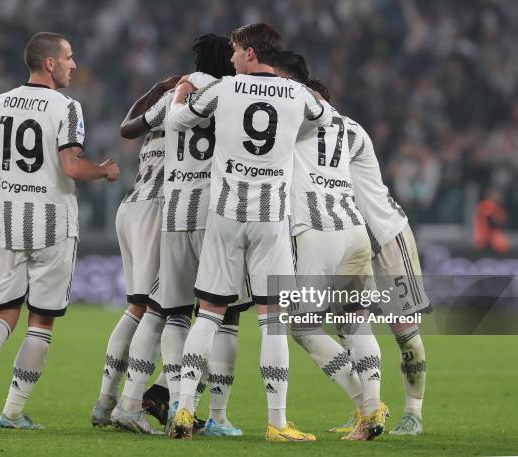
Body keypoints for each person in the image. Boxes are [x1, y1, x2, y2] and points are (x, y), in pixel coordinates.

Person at [166, 23, 332, 442]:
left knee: (207, 314)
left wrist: (182, 97)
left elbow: (178, 121)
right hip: (271, 221)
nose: (232, 57)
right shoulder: (297, 94)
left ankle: (184, 410)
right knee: (272, 322)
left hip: (224, 217)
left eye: (237, 51)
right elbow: (325, 118)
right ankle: (277, 422)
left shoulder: (223, 90)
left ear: (252, 54)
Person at [0, 32, 120, 429]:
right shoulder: (67, 107)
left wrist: (15, 178)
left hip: (8, 222)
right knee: (41, 320)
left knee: (3, 312)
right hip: (53, 225)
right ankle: (12, 412)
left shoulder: (0, 103)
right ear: (50, 63)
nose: (74, 65)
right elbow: (72, 168)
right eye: (69, 57)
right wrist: (104, 170)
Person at [110, 34, 245, 437]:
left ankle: (135, 402)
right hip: (211, 212)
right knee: (221, 313)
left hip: (173, 210)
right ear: (228, 61)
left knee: (169, 312)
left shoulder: (181, 93)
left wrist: (162, 90)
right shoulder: (230, 92)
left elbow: (129, 128)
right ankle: (201, 410)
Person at [306, 77, 430, 436]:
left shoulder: (348, 131)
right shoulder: (304, 137)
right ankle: (367, 407)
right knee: (348, 329)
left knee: (404, 331)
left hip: (386, 237)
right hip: (349, 241)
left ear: (324, 102)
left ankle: (413, 413)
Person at [274, 50, 387, 441]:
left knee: (303, 327)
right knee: (355, 320)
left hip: (316, 230)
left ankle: (363, 403)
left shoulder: (295, 117)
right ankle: (374, 405)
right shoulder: (351, 127)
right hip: (354, 229)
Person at [91, 74, 179, 429]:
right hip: (156, 210)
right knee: (151, 310)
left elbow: (127, 126)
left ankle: (107, 401)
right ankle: (120, 402)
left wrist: (157, 89)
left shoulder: (163, 104)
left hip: (131, 205)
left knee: (138, 307)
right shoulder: (198, 104)